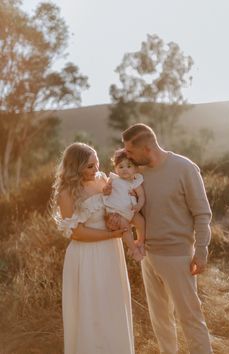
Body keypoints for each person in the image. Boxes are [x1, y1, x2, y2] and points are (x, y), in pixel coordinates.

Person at [122, 123, 213, 354]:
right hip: (149, 257)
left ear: (147, 149)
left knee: (190, 319)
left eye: (130, 151)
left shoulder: (185, 168)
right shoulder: (137, 174)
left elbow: (202, 213)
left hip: (178, 258)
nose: (126, 155)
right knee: (160, 322)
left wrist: (201, 250)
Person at [51, 142, 135, 354]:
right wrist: (111, 234)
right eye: (90, 166)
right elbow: (76, 233)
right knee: (90, 309)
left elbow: (114, 208)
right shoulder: (67, 193)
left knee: (112, 304)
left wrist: (117, 221)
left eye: (97, 163)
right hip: (86, 255)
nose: (96, 169)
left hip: (110, 252)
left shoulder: (103, 180)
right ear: (75, 167)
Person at [103, 148, 145, 261]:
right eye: (120, 167)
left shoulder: (134, 181)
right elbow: (105, 193)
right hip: (116, 212)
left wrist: (138, 206)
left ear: (135, 168)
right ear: (115, 168)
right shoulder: (112, 180)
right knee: (125, 228)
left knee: (141, 222)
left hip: (131, 210)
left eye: (129, 166)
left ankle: (140, 242)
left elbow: (141, 196)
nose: (124, 169)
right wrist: (106, 190)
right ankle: (133, 248)